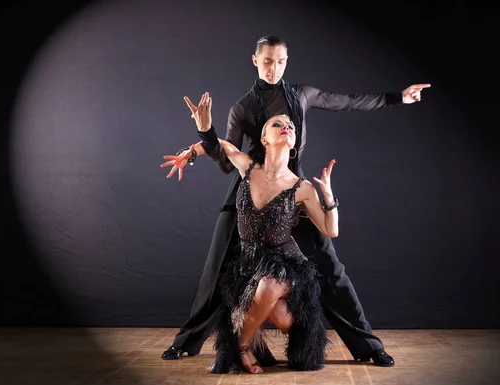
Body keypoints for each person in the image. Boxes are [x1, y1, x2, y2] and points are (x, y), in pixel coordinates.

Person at [162, 35, 430, 367]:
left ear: (286, 61)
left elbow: (346, 101)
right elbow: (226, 159)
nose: (274, 68)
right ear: (255, 61)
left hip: (293, 193)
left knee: (332, 271)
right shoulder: (243, 107)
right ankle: (187, 342)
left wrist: (398, 98)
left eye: (280, 61)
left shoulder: (302, 95)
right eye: (268, 61)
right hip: (250, 190)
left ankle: (369, 346)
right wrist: (198, 144)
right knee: (217, 270)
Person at [161, 92, 337, 373]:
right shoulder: (248, 167)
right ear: (264, 139)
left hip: (289, 267)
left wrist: (328, 197)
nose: (286, 127)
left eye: (290, 125)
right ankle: (253, 336)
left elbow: (331, 229)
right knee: (271, 307)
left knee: (271, 289)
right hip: (249, 266)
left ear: (294, 143)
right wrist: (195, 144)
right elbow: (219, 146)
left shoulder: (302, 187)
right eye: (277, 124)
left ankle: (240, 348)